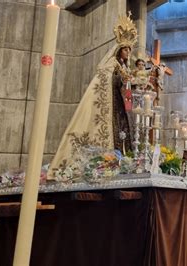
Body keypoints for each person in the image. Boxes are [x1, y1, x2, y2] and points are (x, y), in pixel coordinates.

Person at [48, 14, 139, 179]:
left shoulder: (124, 67)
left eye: (129, 49)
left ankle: (122, 163)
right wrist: (121, 78)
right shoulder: (112, 64)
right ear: (119, 50)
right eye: (125, 49)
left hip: (119, 107)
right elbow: (107, 79)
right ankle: (105, 163)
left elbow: (126, 86)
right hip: (109, 105)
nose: (128, 52)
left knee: (123, 134)